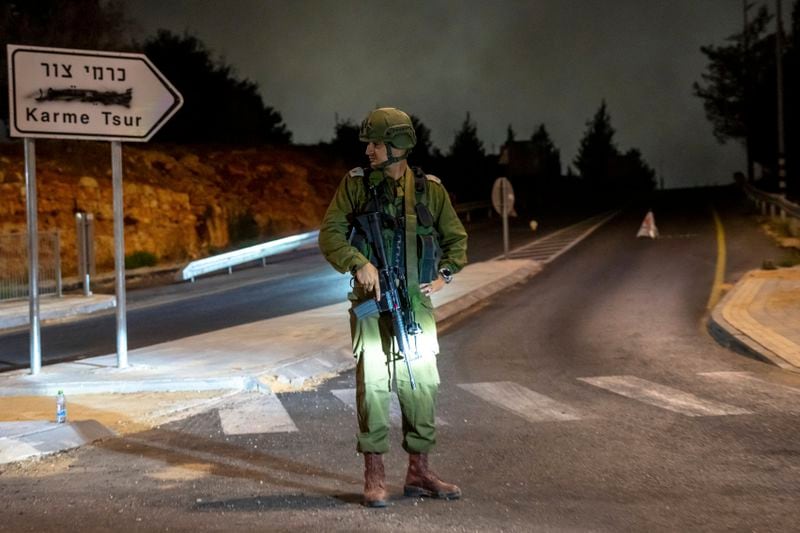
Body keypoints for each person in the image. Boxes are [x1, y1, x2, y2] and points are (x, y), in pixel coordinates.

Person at [318, 107, 468, 507]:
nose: (369, 150)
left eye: (377, 142)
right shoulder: (355, 186)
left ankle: (419, 470)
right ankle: (375, 475)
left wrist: (444, 275)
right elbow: (330, 234)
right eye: (368, 142)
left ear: (399, 145)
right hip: (371, 303)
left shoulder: (429, 190)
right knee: (373, 383)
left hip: (415, 304)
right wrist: (359, 262)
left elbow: (456, 239)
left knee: (422, 385)